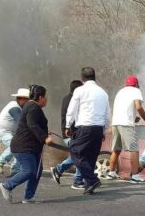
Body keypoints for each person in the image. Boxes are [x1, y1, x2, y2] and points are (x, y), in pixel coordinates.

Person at [0, 85, 54, 204]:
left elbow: (33, 124)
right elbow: (32, 125)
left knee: (37, 170)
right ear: (40, 97)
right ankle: (7, 186)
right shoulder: (33, 107)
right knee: (29, 171)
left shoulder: (32, 107)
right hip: (24, 146)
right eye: (46, 96)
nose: (47, 99)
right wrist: (45, 137)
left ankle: (29, 197)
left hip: (32, 147)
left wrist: (44, 132)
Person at [65, 67, 110, 195]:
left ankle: (92, 180)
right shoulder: (103, 93)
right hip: (98, 128)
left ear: (82, 78)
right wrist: (104, 131)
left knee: (75, 152)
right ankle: (89, 185)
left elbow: (72, 109)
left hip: (85, 127)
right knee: (91, 156)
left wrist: (68, 126)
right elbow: (107, 114)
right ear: (94, 77)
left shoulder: (80, 90)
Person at [108, 75, 145, 183]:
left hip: (116, 123)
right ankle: (135, 176)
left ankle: (112, 173)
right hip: (126, 124)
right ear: (136, 84)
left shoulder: (121, 92)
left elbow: (123, 108)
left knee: (116, 149)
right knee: (134, 150)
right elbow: (138, 107)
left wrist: (133, 117)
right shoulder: (136, 91)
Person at [50, 80, 84, 189]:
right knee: (80, 155)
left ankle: (59, 170)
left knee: (78, 155)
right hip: (71, 134)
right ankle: (77, 180)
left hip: (70, 133)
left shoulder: (67, 98)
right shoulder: (73, 100)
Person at [0, 88, 30, 177]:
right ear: (21, 99)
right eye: (27, 100)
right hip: (2, 132)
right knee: (16, 145)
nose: (28, 102)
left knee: (21, 146)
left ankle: (15, 170)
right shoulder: (14, 107)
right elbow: (22, 122)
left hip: (9, 132)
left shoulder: (19, 107)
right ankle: (0, 162)